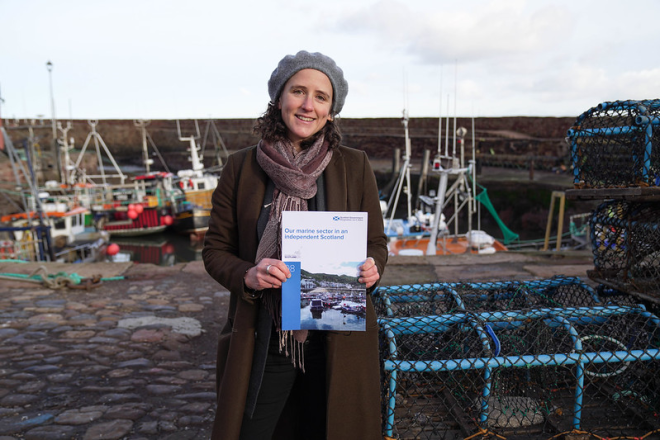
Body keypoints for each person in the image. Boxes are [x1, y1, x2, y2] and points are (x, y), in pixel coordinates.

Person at [202, 50, 388, 440]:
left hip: (339, 333)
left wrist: (373, 267)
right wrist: (248, 274)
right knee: (252, 430)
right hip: (266, 332)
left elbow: (375, 243)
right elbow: (215, 251)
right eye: (298, 91)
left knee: (330, 427)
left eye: (321, 96)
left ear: (332, 110)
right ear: (279, 98)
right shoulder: (241, 167)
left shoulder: (354, 165)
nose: (308, 105)